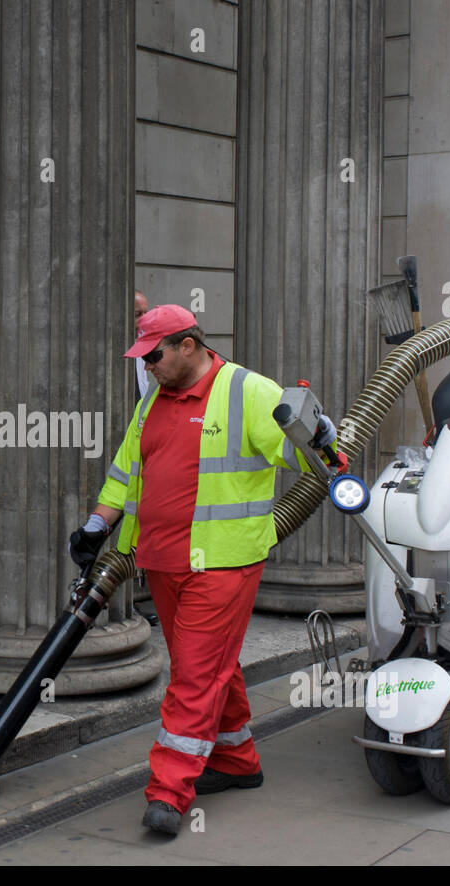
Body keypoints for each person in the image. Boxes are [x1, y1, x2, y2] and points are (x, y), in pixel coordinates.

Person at [68, 304, 334, 836]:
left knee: (192, 676)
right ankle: (236, 759)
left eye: (155, 355)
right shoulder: (153, 401)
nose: (148, 366)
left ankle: (169, 791)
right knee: (213, 666)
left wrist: (322, 434)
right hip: (163, 563)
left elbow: (312, 457)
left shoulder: (248, 392)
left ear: (188, 346)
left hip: (223, 564)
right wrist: (98, 525)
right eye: (143, 357)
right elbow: (127, 468)